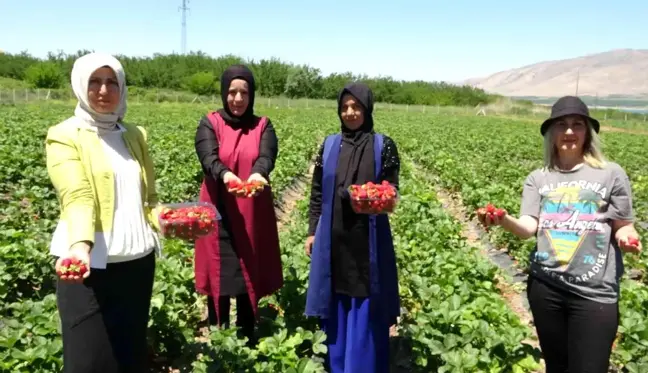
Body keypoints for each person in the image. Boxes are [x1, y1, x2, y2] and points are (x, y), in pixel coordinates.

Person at [478, 95, 642, 373]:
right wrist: (503, 219)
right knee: (556, 366)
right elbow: (528, 227)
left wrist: (627, 236)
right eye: (561, 125)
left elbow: (623, 223)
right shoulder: (538, 178)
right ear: (551, 133)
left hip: (595, 293)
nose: (568, 131)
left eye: (577, 124)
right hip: (546, 289)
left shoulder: (611, 174)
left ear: (588, 132)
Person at [45, 52, 162, 373]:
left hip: (137, 266)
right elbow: (77, 194)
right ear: (81, 86)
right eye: (94, 81)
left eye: (112, 81)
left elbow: (147, 197)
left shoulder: (134, 135)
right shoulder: (65, 135)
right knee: (87, 362)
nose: (103, 89)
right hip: (88, 270)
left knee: (128, 358)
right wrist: (81, 246)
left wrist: (166, 219)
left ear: (122, 87)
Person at [304, 82, 401, 373]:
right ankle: (337, 364)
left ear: (367, 109)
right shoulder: (330, 144)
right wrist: (312, 231)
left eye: (356, 106)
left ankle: (363, 365)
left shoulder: (383, 146)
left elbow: (392, 191)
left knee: (366, 295)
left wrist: (373, 198)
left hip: (369, 238)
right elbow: (318, 192)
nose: (350, 112)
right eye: (345, 107)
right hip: (333, 236)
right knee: (335, 292)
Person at [193, 64, 283, 345]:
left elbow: (266, 156)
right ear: (224, 93)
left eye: (244, 92)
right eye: (232, 92)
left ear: (252, 94)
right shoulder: (210, 123)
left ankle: (246, 337)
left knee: (247, 273)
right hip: (218, 211)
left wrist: (257, 174)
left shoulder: (263, 125)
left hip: (251, 211)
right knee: (218, 275)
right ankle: (219, 339)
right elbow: (208, 157)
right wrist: (227, 176)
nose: (238, 98)